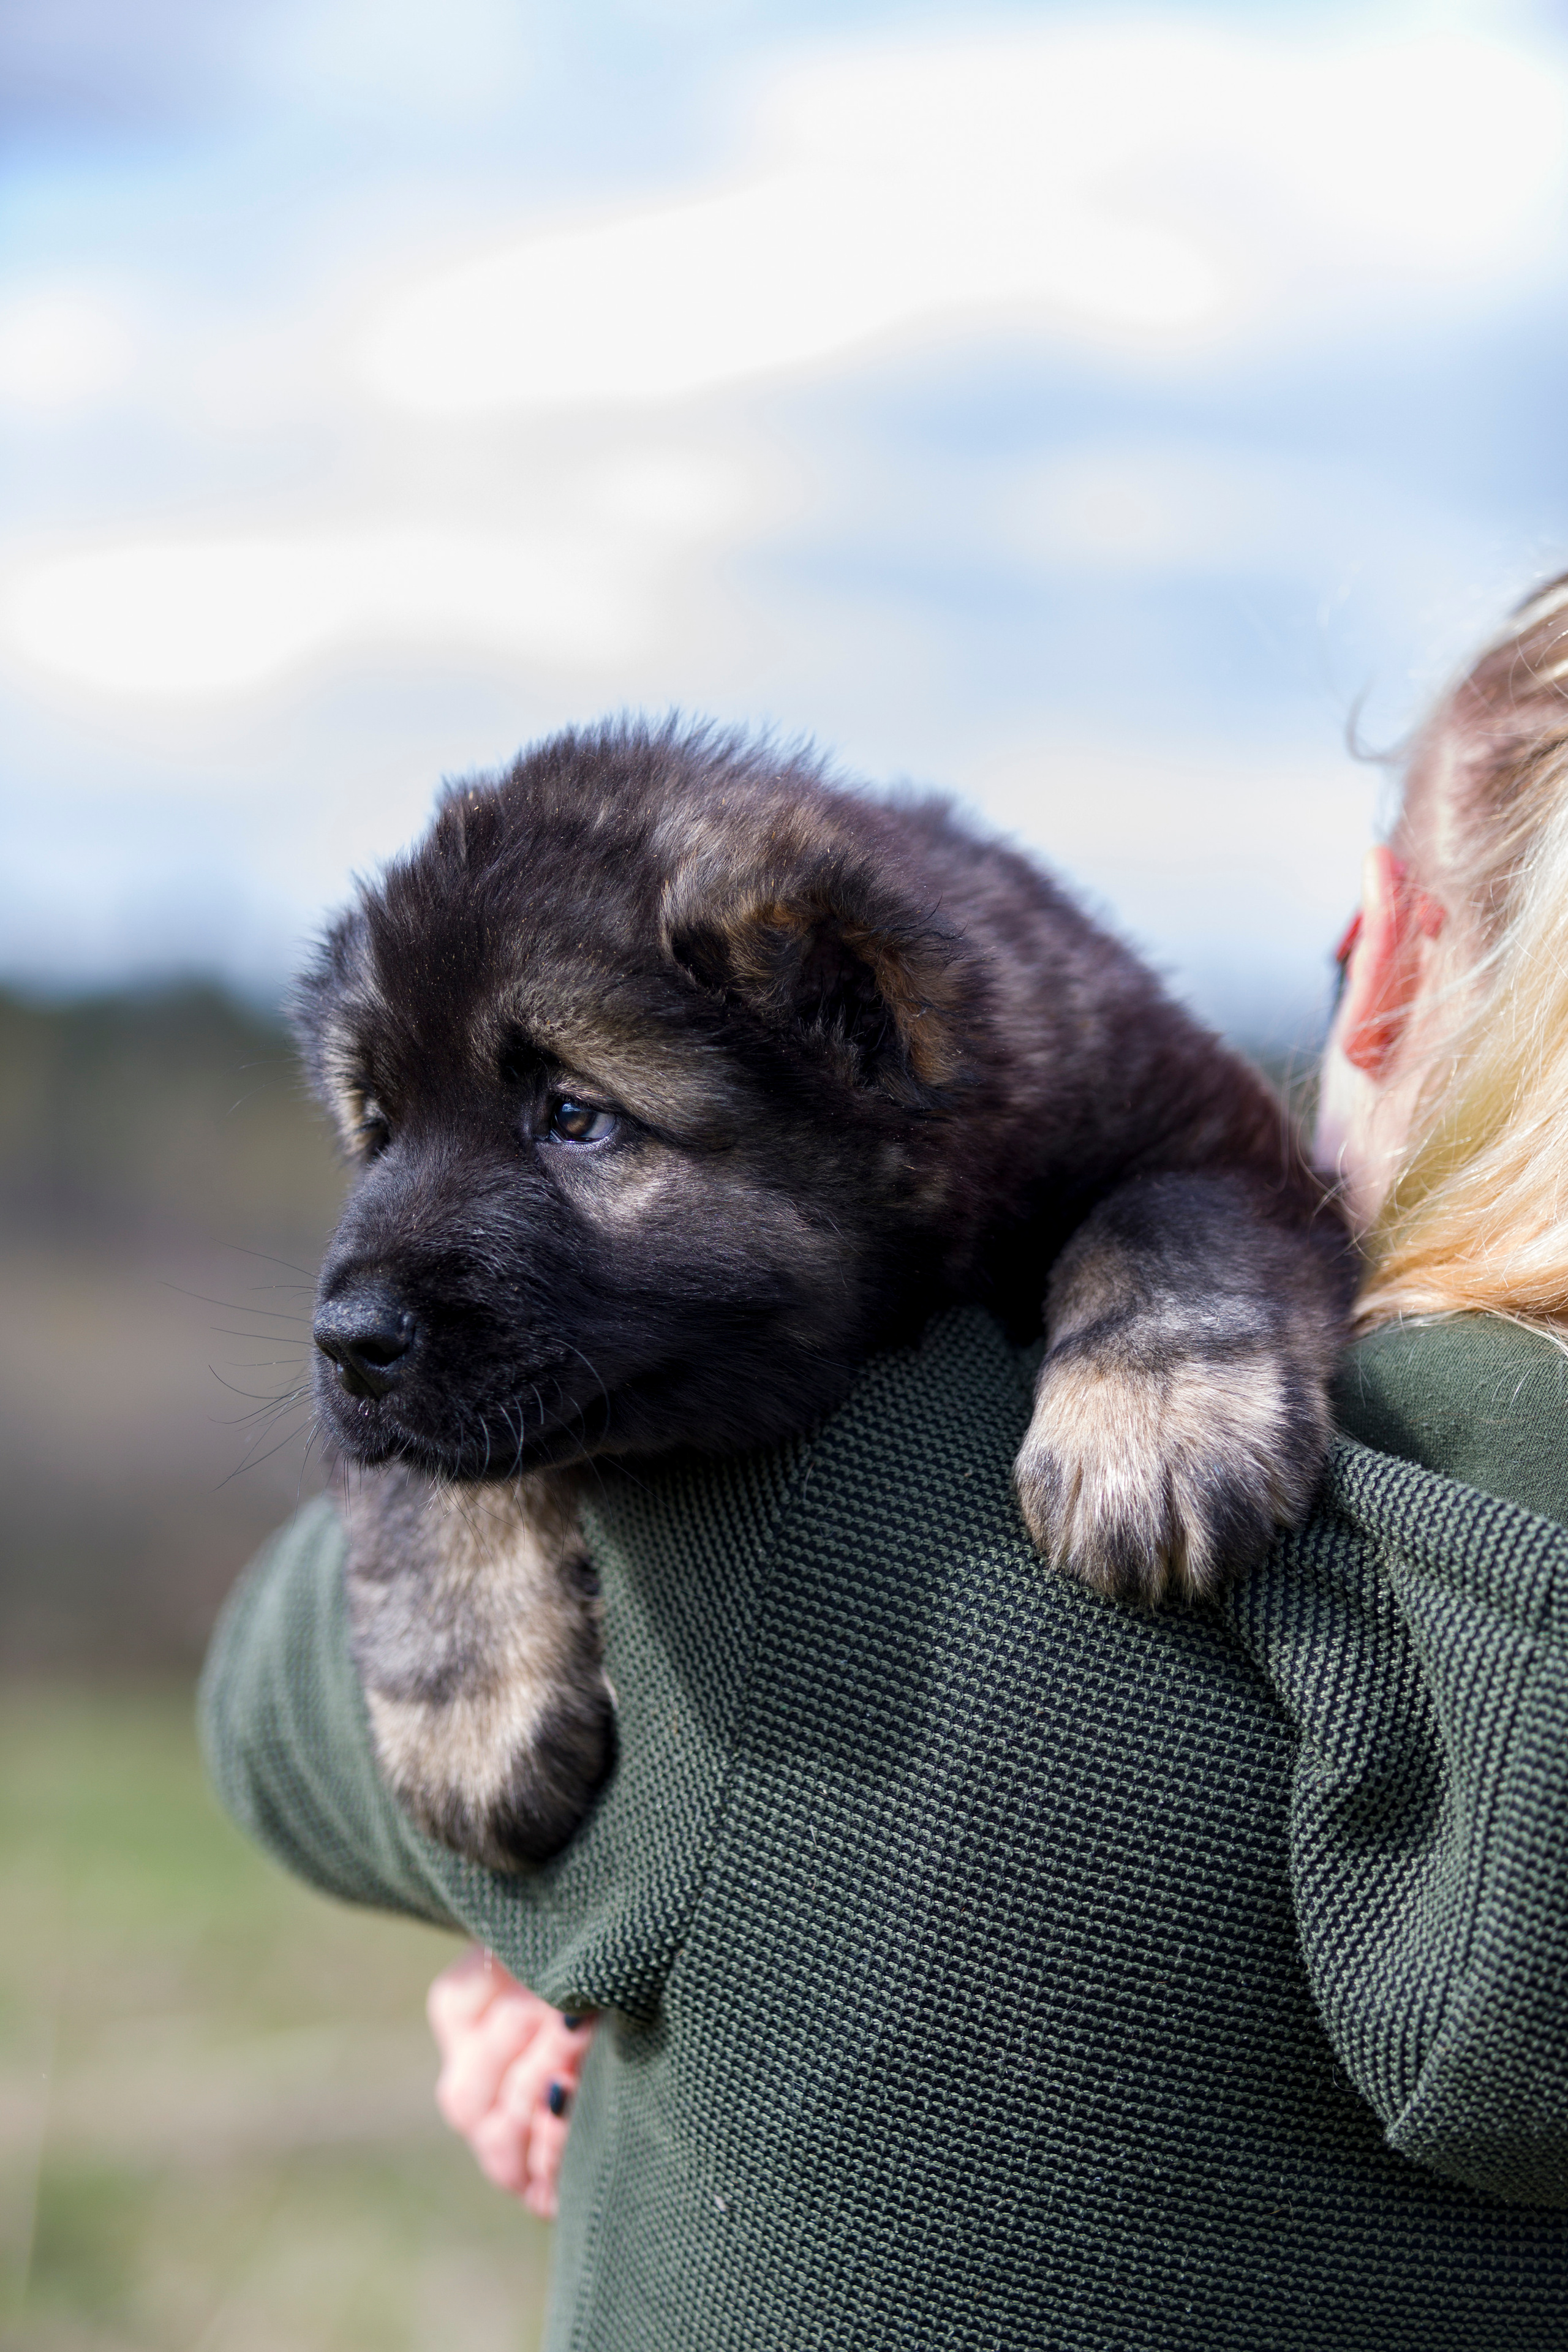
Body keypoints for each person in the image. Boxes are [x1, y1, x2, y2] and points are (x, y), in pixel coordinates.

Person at [200, 583, 1568, 2350]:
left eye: (572, 1115)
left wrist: (579, 1906)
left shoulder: (819, 1562)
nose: (373, 1265)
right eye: (378, 1132)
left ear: (1383, 961)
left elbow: (272, 1712)